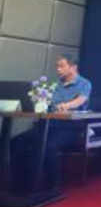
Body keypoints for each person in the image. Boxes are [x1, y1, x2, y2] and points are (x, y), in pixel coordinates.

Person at [10, 54, 92, 193]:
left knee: (49, 146)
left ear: (73, 67)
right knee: (17, 141)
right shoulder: (56, 84)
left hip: (70, 128)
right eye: (57, 66)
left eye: (62, 66)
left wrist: (67, 105)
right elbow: (47, 102)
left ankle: (54, 183)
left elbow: (80, 100)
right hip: (49, 125)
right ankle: (20, 181)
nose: (58, 69)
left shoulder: (84, 83)